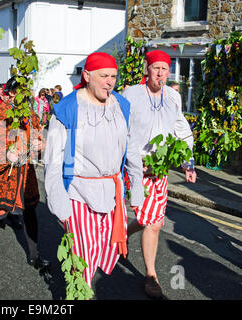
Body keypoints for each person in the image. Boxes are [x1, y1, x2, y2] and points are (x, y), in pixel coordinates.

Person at [44, 52, 144, 288]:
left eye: (113, 76)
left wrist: (137, 186)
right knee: (81, 258)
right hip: (78, 191)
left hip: (111, 192)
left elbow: (132, 149)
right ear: (87, 75)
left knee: (104, 250)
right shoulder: (67, 109)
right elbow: (54, 161)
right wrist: (59, 201)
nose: (110, 81)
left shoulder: (122, 106)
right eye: (104, 76)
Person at [122, 50, 196, 299]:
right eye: (156, 68)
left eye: (165, 69)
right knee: (148, 221)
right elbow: (120, 129)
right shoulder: (131, 94)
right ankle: (147, 270)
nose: (161, 73)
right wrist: (128, 160)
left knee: (151, 221)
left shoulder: (174, 97)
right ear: (148, 69)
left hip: (160, 169)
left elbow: (181, 128)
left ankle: (128, 245)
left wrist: (188, 163)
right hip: (137, 168)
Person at [0, 76, 51, 275]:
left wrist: (40, 145)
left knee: (30, 210)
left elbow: (38, 135)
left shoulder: (30, 114)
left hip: (25, 171)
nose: (26, 95)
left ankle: (34, 254)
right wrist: (4, 154)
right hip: (3, 172)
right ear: (11, 93)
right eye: (21, 91)